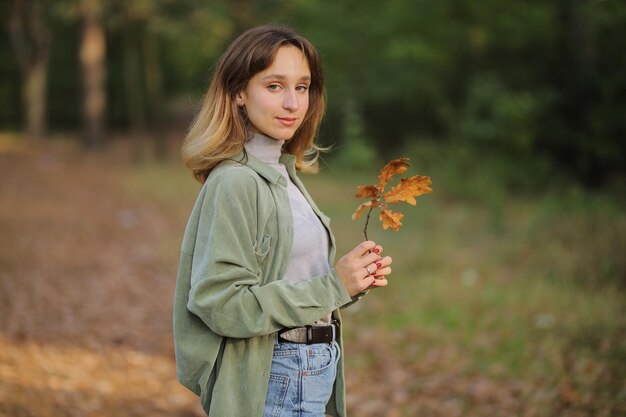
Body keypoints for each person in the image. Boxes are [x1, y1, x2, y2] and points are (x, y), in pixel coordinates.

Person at [173, 25, 393, 417]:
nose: (292, 102)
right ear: (239, 92)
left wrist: (350, 283)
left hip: (309, 370)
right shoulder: (236, 181)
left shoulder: (282, 173)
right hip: (276, 376)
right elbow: (221, 303)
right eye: (274, 86)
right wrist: (331, 285)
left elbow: (288, 279)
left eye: (303, 87)